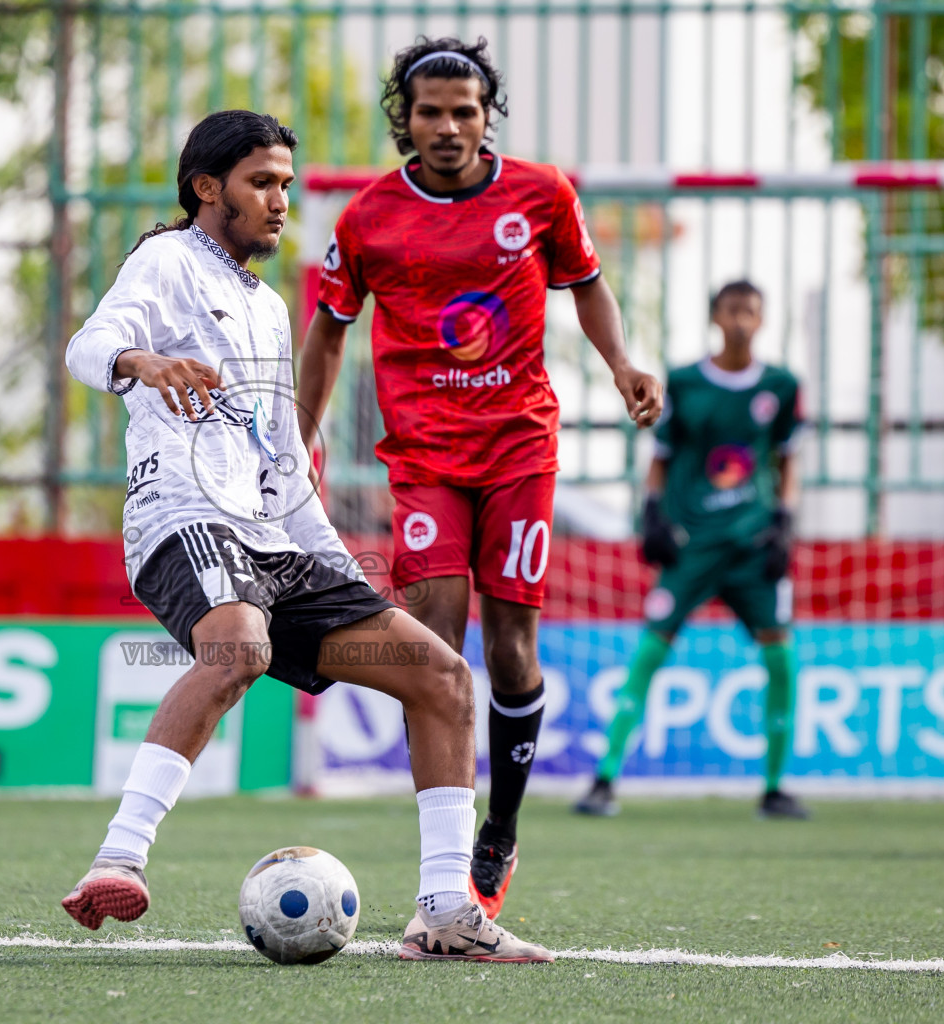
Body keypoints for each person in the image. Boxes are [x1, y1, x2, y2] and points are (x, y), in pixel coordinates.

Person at [62, 109, 554, 963]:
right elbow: (90, 342)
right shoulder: (166, 260)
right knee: (238, 649)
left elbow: (282, 458)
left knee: (439, 676)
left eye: (287, 182)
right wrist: (143, 362)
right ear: (207, 188)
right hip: (182, 518)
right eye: (263, 182)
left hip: (273, 541)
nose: (281, 199)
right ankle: (118, 859)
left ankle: (445, 912)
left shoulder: (266, 307)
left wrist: (335, 571)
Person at [297, 38, 664, 919]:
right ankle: (444, 860)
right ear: (406, 121)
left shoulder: (541, 195)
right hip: (423, 458)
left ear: (485, 116)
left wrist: (621, 363)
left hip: (518, 452)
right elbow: (330, 329)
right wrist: (299, 441)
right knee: (432, 648)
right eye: (431, 112)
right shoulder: (369, 218)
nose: (450, 127)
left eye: (465, 111)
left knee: (509, 652)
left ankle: (500, 826)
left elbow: (587, 282)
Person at [573, 280, 808, 820]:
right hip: (692, 544)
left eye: (751, 309)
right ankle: (605, 778)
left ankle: (774, 787)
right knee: (650, 651)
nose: (742, 320)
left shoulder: (782, 385)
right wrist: (652, 512)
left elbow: (788, 460)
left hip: (752, 544)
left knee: (780, 655)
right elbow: (661, 453)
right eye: (732, 310)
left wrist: (785, 522)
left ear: (763, 317)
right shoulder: (682, 381)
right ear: (715, 318)